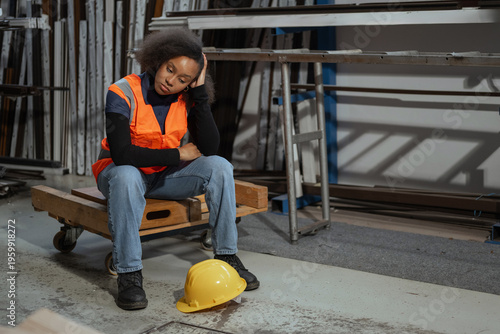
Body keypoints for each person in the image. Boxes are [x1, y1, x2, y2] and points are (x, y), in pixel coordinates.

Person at [92, 28, 259, 310]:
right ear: (159, 59)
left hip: (162, 175)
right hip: (119, 174)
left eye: (183, 79)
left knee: (220, 167)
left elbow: (210, 148)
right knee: (127, 174)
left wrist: (200, 92)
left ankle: (227, 256)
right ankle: (129, 274)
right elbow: (122, 154)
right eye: (170, 70)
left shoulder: (187, 97)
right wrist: (178, 153)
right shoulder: (121, 91)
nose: (171, 81)